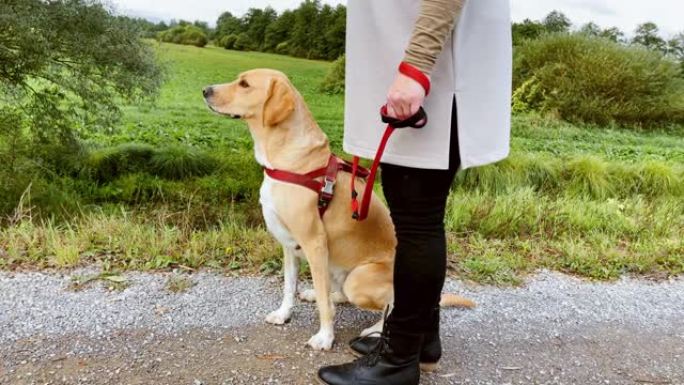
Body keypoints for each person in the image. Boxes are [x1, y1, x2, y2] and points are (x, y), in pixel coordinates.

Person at [317, 0, 512, 384]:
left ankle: (398, 359)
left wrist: (416, 67)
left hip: (432, 78)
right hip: (425, 73)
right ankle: (421, 340)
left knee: (417, 220)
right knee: (416, 218)